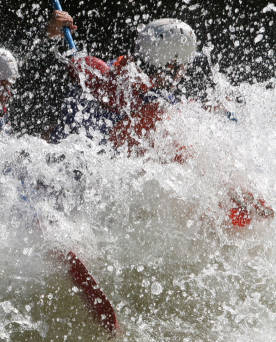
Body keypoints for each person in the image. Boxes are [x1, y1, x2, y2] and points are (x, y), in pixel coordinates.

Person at [49, 13, 273, 226]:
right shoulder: (157, 107)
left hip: (57, 174)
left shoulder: (98, 69)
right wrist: (240, 194)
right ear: (174, 63)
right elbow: (190, 156)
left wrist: (54, 34)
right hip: (88, 188)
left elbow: (73, 68)